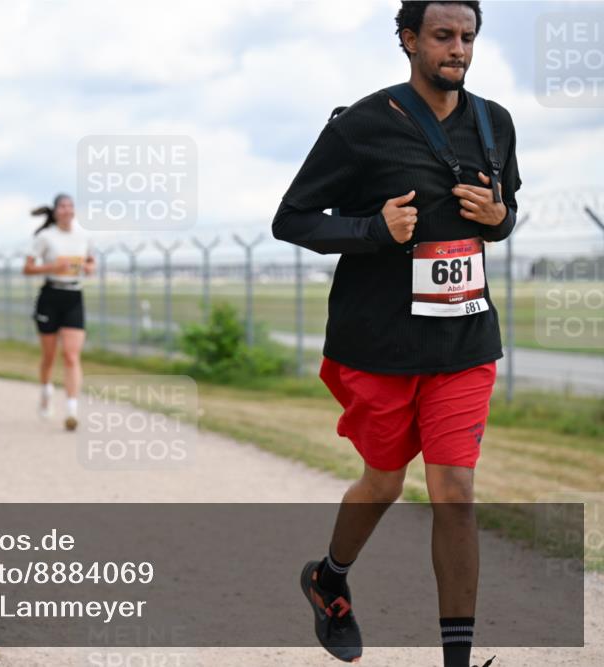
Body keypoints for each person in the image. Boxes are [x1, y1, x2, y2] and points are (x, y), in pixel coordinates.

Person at [272, 3, 517, 666]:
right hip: (379, 346)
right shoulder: (362, 127)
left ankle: (458, 661)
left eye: (467, 37)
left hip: (464, 343)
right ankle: (328, 577)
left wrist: (497, 216)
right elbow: (291, 219)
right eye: (442, 36)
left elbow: (504, 212)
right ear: (408, 40)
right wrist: (373, 231)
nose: (457, 49)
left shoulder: (494, 123)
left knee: (455, 492)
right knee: (383, 481)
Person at [23, 194, 95, 431]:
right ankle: (46, 391)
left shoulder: (83, 235)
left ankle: (72, 408)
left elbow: (91, 262)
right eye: (62, 206)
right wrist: (52, 266)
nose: (67, 210)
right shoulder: (45, 237)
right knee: (49, 355)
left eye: (70, 206)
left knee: (72, 356)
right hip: (50, 296)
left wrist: (87, 267)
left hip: (74, 295)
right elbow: (28, 268)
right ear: (54, 211)